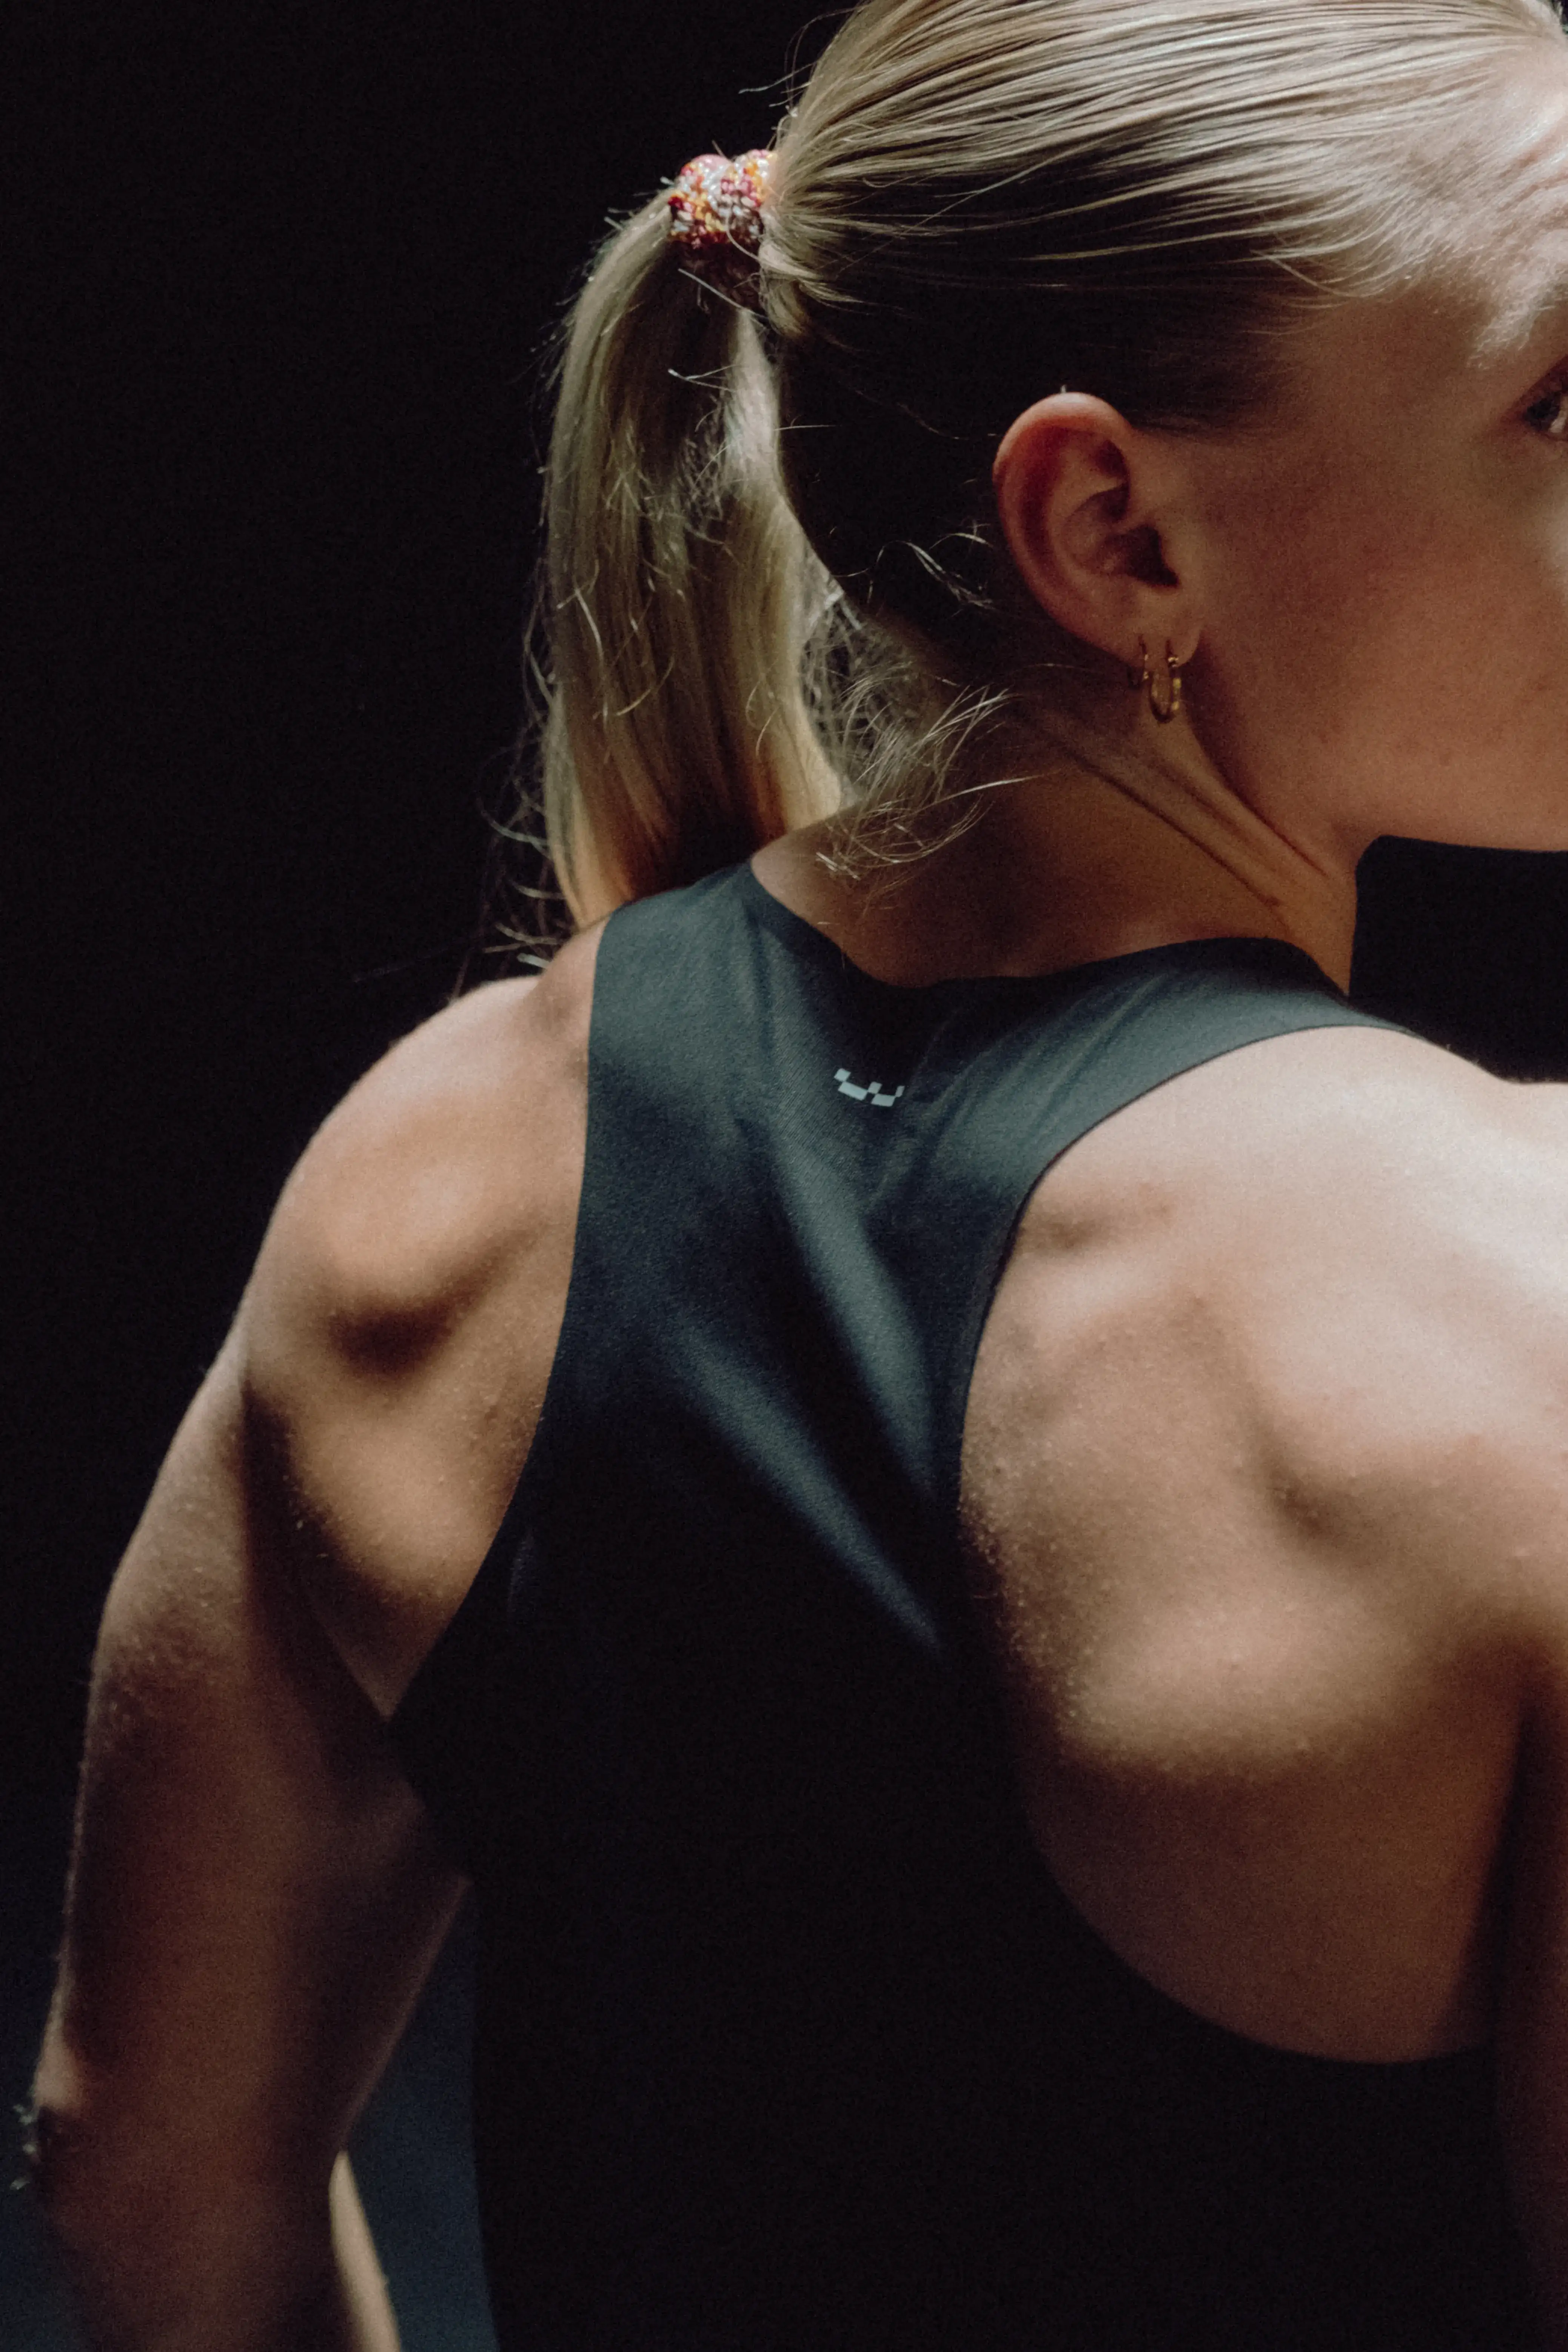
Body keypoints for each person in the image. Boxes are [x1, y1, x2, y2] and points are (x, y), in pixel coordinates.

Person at [28, 0, 1568, 2341]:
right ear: (1111, 529)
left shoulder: (431, 1168)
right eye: (1558, 402)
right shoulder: (1521, 1315)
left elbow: (139, 2178)